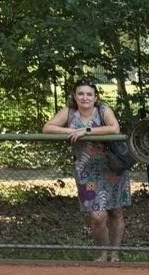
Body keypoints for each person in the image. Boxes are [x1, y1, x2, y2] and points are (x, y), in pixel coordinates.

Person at [43, 79, 131, 263]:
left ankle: (114, 254)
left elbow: (114, 128)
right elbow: (47, 128)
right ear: (75, 96)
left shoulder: (103, 110)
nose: (85, 97)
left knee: (115, 212)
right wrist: (71, 132)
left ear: (95, 97)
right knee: (97, 216)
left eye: (89, 94)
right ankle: (103, 252)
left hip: (112, 169)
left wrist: (86, 130)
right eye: (81, 94)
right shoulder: (69, 113)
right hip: (87, 173)